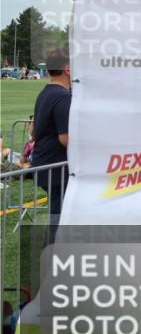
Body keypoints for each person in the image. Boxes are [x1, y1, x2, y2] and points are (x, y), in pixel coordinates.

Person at [31, 47, 72, 218]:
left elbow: (34, 132)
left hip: (45, 163)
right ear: (68, 69)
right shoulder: (63, 96)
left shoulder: (45, 92)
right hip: (56, 168)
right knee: (59, 217)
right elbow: (66, 139)